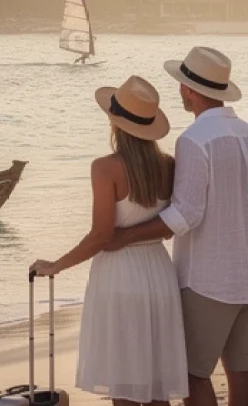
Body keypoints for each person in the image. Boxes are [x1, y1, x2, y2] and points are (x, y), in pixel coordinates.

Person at [31, 75, 187, 405]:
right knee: (156, 384)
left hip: (119, 276)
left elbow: (102, 235)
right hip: (159, 274)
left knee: (124, 383)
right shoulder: (169, 165)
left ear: (114, 123)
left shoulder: (105, 168)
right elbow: (170, 225)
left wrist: (56, 265)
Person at [106, 47, 248, 406]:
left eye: (182, 86)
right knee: (242, 374)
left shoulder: (194, 140)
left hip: (207, 282)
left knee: (193, 377)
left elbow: (185, 216)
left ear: (189, 91)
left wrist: (125, 236)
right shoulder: (246, 134)